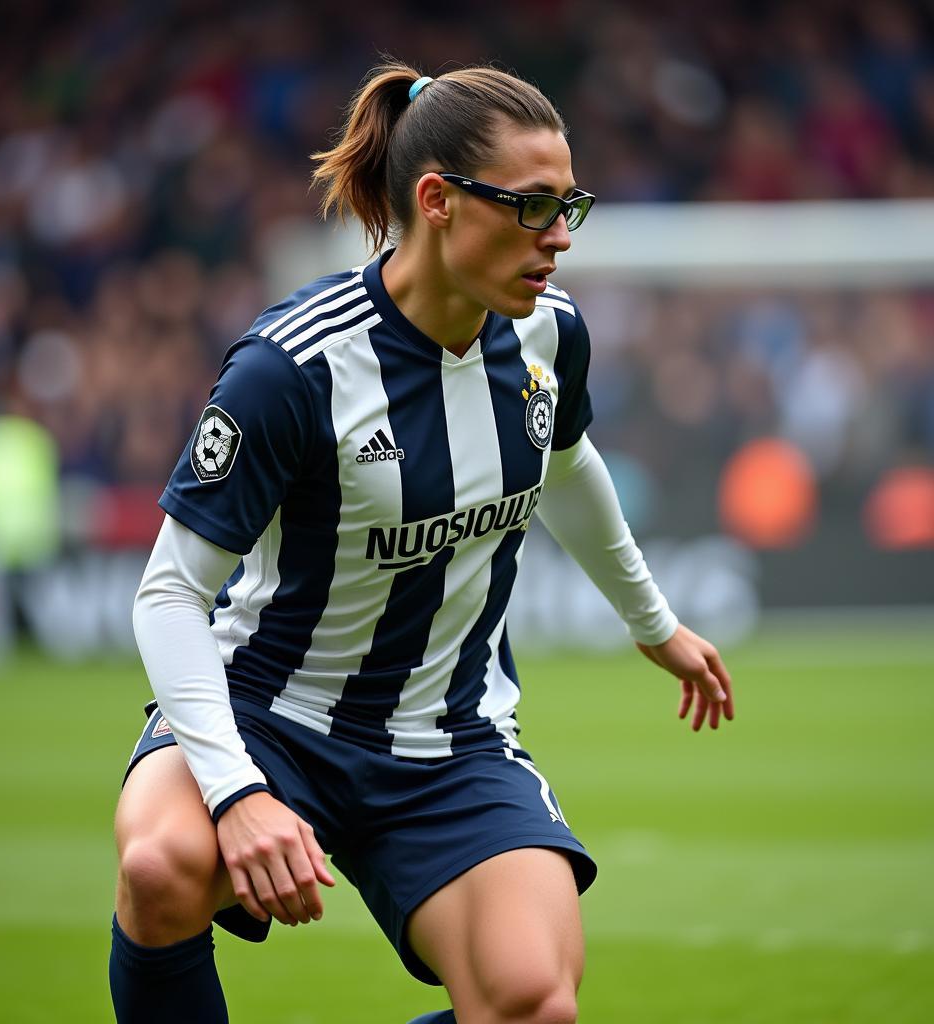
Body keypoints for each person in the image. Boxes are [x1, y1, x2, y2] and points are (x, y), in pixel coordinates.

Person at [108, 61, 735, 1024]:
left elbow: (566, 463)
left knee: (535, 1006)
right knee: (162, 867)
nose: (560, 238)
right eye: (533, 208)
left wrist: (654, 624)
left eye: (570, 205)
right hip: (270, 716)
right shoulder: (292, 368)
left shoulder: (550, 337)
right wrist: (236, 793)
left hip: (451, 736)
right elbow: (168, 595)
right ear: (438, 201)